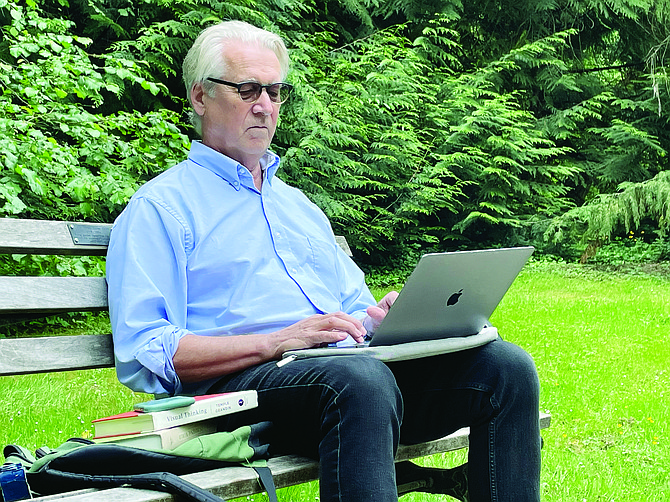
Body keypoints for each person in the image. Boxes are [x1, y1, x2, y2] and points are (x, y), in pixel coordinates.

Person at [106, 20, 542, 502]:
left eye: (275, 91)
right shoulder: (162, 208)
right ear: (199, 97)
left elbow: (354, 309)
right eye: (248, 88)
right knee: (359, 380)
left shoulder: (300, 208)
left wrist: (382, 318)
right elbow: (145, 350)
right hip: (237, 398)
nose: (264, 105)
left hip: (348, 383)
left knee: (505, 369)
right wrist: (274, 342)